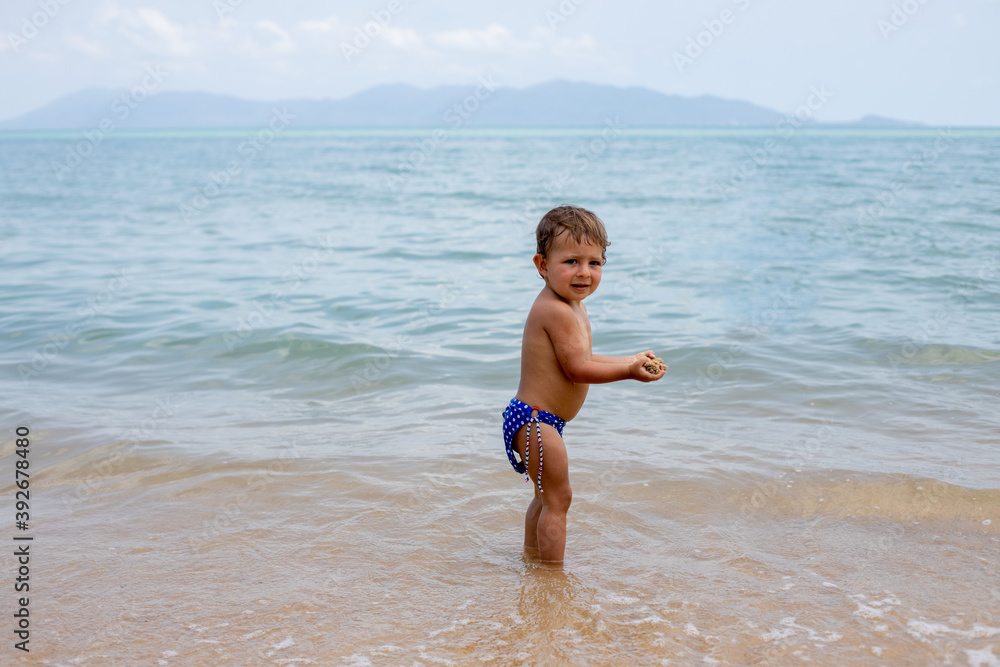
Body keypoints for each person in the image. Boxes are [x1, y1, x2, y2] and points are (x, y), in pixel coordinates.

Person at [501, 205, 666, 566]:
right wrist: (629, 373)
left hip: (536, 421)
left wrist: (630, 360)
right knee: (558, 499)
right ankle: (552, 577)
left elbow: (586, 356)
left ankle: (532, 561)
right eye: (571, 261)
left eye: (595, 263)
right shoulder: (556, 310)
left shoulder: (572, 305)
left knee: (546, 498)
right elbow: (577, 369)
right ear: (542, 265)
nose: (584, 272)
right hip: (536, 421)